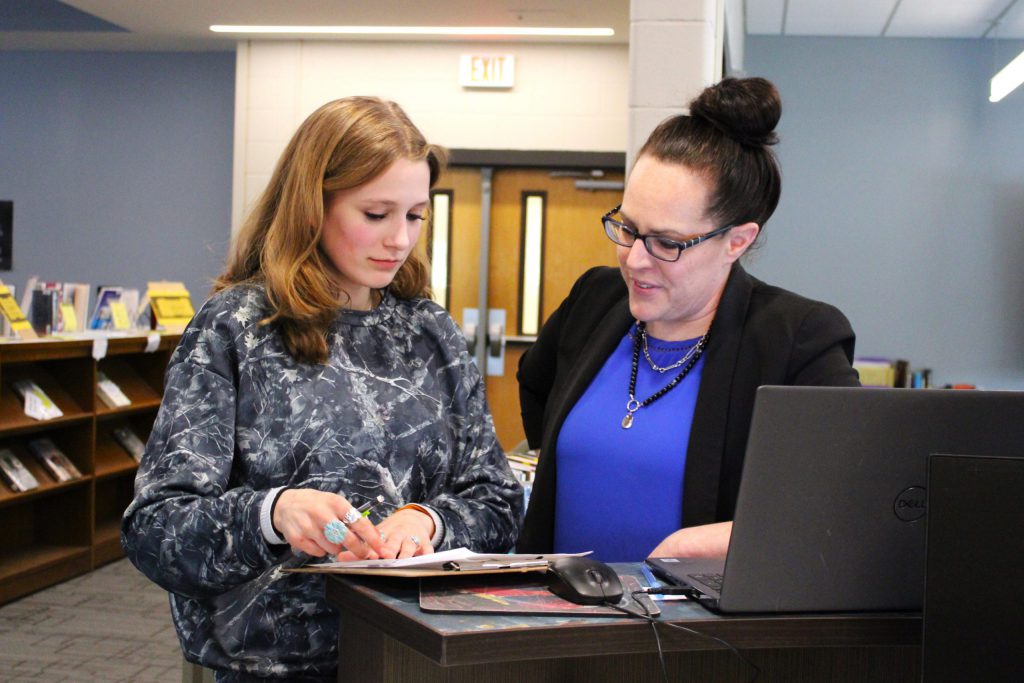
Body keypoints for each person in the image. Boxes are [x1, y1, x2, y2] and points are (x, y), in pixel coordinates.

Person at [122, 96, 522, 682]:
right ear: (313, 206)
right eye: (376, 213)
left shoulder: (429, 331)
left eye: (415, 216)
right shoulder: (236, 328)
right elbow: (156, 528)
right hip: (276, 666)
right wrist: (273, 514)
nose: (399, 239)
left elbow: (496, 501)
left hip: (417, 652)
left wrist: (426, 521)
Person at [515, 77, 859, 563]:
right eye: (628, 228)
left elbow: (842, 505)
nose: (634, 260)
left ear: (736, 241)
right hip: (557, 620)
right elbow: (535, 381)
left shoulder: (796, 340)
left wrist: (703, 545)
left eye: (667, 243)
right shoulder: (596, 299)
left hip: (692, 632)